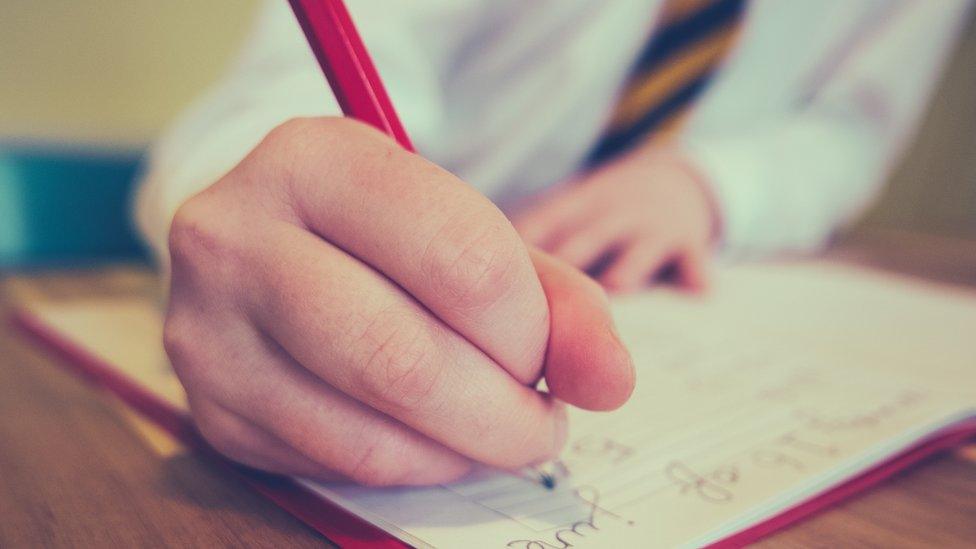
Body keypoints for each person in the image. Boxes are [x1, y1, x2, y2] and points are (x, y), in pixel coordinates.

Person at [135, 0, 970, 486]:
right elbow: (298, 77)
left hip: (697, 279)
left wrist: (714, 186)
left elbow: (852, 127)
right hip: (392, 272)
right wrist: (273, 193)